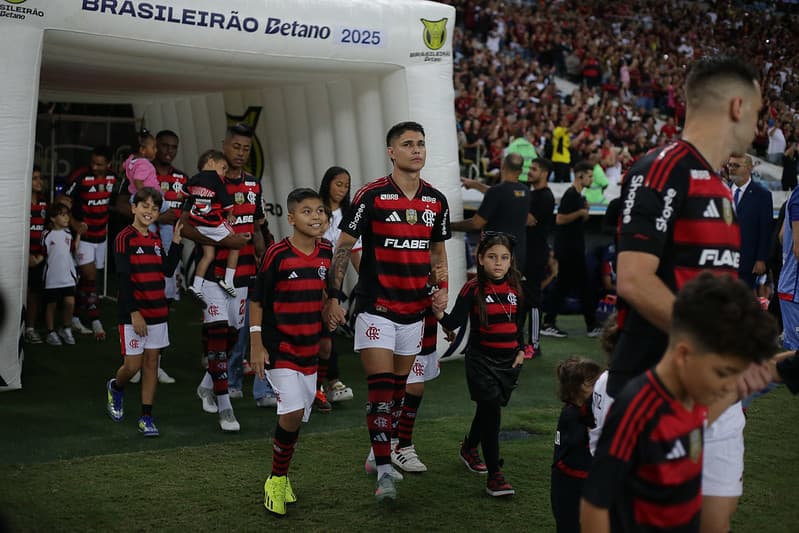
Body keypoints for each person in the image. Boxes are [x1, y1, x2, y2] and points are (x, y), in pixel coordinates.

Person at [608, 56, 772, 533]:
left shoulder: (719, 185)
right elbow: (635, 280)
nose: (759, 126)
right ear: (738, 106)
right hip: (657, 388)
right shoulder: (660, 169)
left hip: (714, 393)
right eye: (758, 113)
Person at [581, 273, 777, 533]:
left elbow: (719, 404)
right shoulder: (636, 409)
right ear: (684, 354)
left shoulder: (693, 396)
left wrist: (779, 369)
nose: (727, 387)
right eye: (721, 373)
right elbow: (595, 505)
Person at [324, 121, 450, 502]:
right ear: (391, 152)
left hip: (415, 312)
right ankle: (384, 473)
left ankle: (375, 452)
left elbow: (437, 252)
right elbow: (343, 246)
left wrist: (442, 289)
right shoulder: (371, 195)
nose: (417, 150)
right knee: (380, 394)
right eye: (408, 144)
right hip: (376, 307)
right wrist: (333, 295)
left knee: (396, 394)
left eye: (421, 144)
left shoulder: (436, 201)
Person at [249, 188, 332, 516]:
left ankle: (281, 475)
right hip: (278, 346)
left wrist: (330, 309)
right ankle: (276, 479)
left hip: (308, 348)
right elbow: (257, 300)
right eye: (308, 211)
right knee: (292, 412)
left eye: (321, 211)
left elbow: (324, 294)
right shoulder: (277, 254)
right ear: (292, 217)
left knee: (297, 419)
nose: (316, 217)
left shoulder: (326, 252)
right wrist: (256, 344)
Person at [184, 123, 266, 432]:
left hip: (243, 274)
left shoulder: (254, 185)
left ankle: (208, 384)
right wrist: (225, 242)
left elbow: (257, 225)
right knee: (218, 341)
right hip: (214, 275)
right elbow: (187, 228)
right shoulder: (206, 184)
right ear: (224, 145)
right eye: (236, 147)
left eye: (246, 149)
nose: (241, 153)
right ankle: (225, 408)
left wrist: (264, 254)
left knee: (232, 338)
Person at [435, 233, 525, 497]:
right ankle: (496, 476)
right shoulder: (473, 288)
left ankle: (469, 447)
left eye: (504, 258)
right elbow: (453, 323)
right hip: (481, 362)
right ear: (481, 259)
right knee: (491, 411)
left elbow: (521, 323)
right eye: (492, 257)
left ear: (511, 261)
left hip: (508, 362)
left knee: (488, 409)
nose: (498, 263)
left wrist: (522, 349)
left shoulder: (516, 285)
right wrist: (437, 310)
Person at [105, 188, 184, 437]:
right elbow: (124, 279)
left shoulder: (156, 239)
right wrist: (134, 312)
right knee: (132, 366)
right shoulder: (124, 237)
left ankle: (146, 417)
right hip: (133, 313)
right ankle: (116, 387)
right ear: (133, 208)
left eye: (154, 207)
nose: (149, 211)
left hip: (158, 311)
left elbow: (169, 270)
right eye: (145, 206)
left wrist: (177, 244)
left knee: (152, 363)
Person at [542, 160, 600, 338]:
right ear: (580, 175)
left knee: (572, 287)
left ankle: (552, 322)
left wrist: (584, 213)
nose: (591, 179)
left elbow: (576, 221)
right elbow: (560, 219)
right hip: (568, 249)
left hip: (573, 248)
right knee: (577, 287)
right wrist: (580, 213)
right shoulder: (570, 195)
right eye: (589, 176)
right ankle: (588, 325)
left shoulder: (580, 197)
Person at [67, 145, 117, 340]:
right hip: (84, 238)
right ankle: (95, 319)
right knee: (89, 277)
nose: (95, 167)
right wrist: (74, 223)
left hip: (101, 237)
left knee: (89, 279)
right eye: (93, 163)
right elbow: (62, 200)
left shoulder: (113, 178)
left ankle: (76, 316)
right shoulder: (80, 176)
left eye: (100, 164)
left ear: (109, 165)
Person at [551, 356, 603, 533]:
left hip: (581, 478)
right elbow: (577, 440)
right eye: (595, 383)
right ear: (581, 387)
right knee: (570, 525)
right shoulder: (570, 415)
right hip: (568, 483)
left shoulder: (584, 408)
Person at [317, 166, 355, 404]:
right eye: (338, 183)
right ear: (327, 183)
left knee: (328, 332)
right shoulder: (316, 210)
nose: (342, 189)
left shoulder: (350, 214)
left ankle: (330, 381)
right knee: (316, 332)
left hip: (334, 280)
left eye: (346, 185)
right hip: (313, 276)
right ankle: (321, 382)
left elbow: (355, 251)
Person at [454, 153, 530, 272]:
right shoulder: (525, 192)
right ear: (520, 171)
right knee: (512, 289)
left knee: (493, 290)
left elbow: (476, 223)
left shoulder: (496, 192)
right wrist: (476, 185)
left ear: (503, 167)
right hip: (518, 254)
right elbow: (505, 194)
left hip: (497, 258)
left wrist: (449, 225)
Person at [184, 149, 239, 304]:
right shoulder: (216, 181)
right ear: (211, 162)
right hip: (213, 224)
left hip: (199, 226)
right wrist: (230, 215)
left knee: (208, 256)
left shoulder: (195, 180)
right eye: (223, 168)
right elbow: (227, 202)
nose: (224, 173)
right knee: (236, 243)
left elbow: (183, 192)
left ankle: (196, 286)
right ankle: (228, 280)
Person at [523, 158, 556, 358]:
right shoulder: (531, 193)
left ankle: (534, 345)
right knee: (523, 298)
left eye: (534, 169)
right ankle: (522, 342)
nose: (530, 171)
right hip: (526, 252)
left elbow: (530, 219)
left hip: (535, 254)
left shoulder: (545, 197)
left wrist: (512, 206)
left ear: (544, 173)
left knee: (533, 298)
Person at [726, 154, 773, 289]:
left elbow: (765, 230)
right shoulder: (723, 190)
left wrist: (761, 259)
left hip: (748, 261)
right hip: (724, 260)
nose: (731, 169)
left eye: (736, 165)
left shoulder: (763, 195)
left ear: (748, 168)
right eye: (730, 165)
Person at [42, 203, 79, 346]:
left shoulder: (69, 234)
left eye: (67, 214)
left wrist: (80, 234)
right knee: (51, 304)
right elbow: (43, 253)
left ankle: (66, 328)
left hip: (67, 276)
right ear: (52, 218)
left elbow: (72, 251)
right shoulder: (46, 234)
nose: (66, 218)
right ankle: (50, 332)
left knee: (70, 302)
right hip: (52, 277)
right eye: (62, 215)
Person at [25, 166, 48, 344]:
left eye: (40, 178)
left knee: (35, 294)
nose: (39, 182)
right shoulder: (21, 203)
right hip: (21, 257)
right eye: (34, 178)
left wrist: (40, 256)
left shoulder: (43, 202)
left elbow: (46, 231)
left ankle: (30, 328)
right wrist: (26, 257)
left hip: (38, 257)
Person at [123, 129, 159, 195]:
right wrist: (144, 197)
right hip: (149, 196)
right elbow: (138, 181)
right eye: (153, 148)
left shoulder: (131, 159)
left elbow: (124, 166)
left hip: (133, 194)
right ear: (142, 150)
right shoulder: (144, 165)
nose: (156, 150)